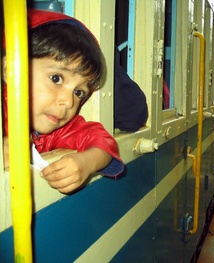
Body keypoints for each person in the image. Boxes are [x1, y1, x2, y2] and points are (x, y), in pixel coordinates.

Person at [1, 9, 124, 194]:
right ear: (11, 70)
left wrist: (88, 162)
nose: (68, 102)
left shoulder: (60, 129)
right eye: (56, 78)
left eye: (78, 92)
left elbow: (102, 140)